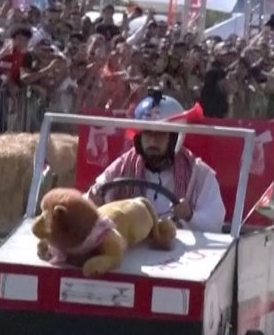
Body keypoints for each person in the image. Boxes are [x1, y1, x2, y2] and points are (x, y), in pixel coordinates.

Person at [86, 89, 226, 233]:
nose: (152, 141)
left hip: (184, 251)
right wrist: (93, 203)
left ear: (174, 138)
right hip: (132, 246)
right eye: (147, 133)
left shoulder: (199, 175)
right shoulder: (121, 167)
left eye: (160, 134)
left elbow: (215, 223)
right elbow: (90, 199)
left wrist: (190, 216)